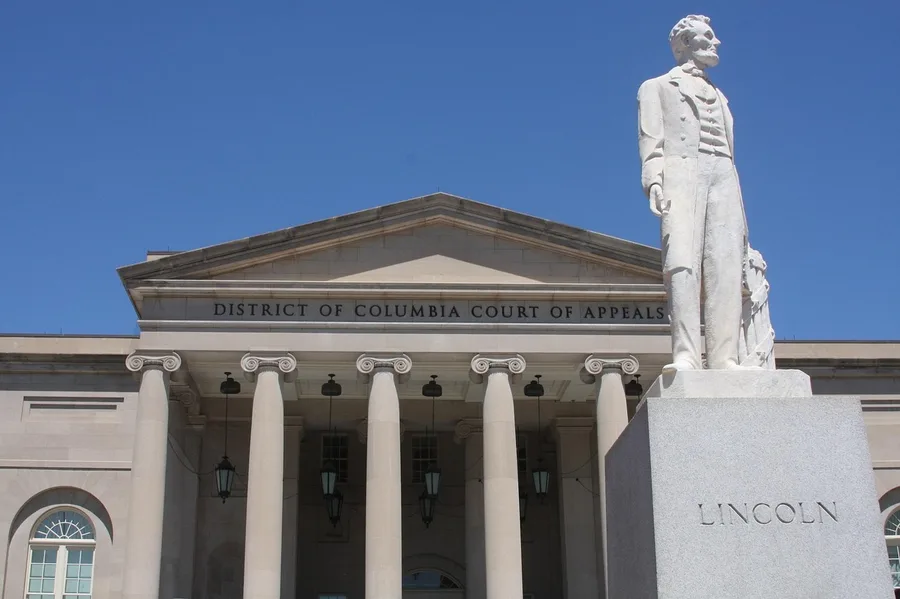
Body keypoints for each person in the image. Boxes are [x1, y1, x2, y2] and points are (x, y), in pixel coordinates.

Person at [638, 14, 754, 371]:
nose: (717, 42)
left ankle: (724, 357)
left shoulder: (720, 95)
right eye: (709, 35)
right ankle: (686, 353)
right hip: (681, 172)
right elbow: (651, 140)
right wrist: (654, 180)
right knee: (682, 262)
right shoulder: (656, 87)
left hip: (724, 174)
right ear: (686, 43)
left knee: (726, 263)